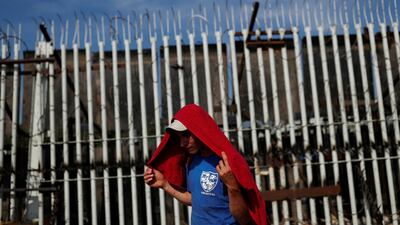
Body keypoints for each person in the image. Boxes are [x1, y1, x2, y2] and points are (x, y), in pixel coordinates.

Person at [145, 104, 267, 225]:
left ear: (199, 130)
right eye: (179, 138)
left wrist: (233, 187)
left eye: (186, 136)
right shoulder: (192, 161)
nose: (182, 143)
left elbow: (244, 219)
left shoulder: (228, 162)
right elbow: (196, 200)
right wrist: (165, 184)